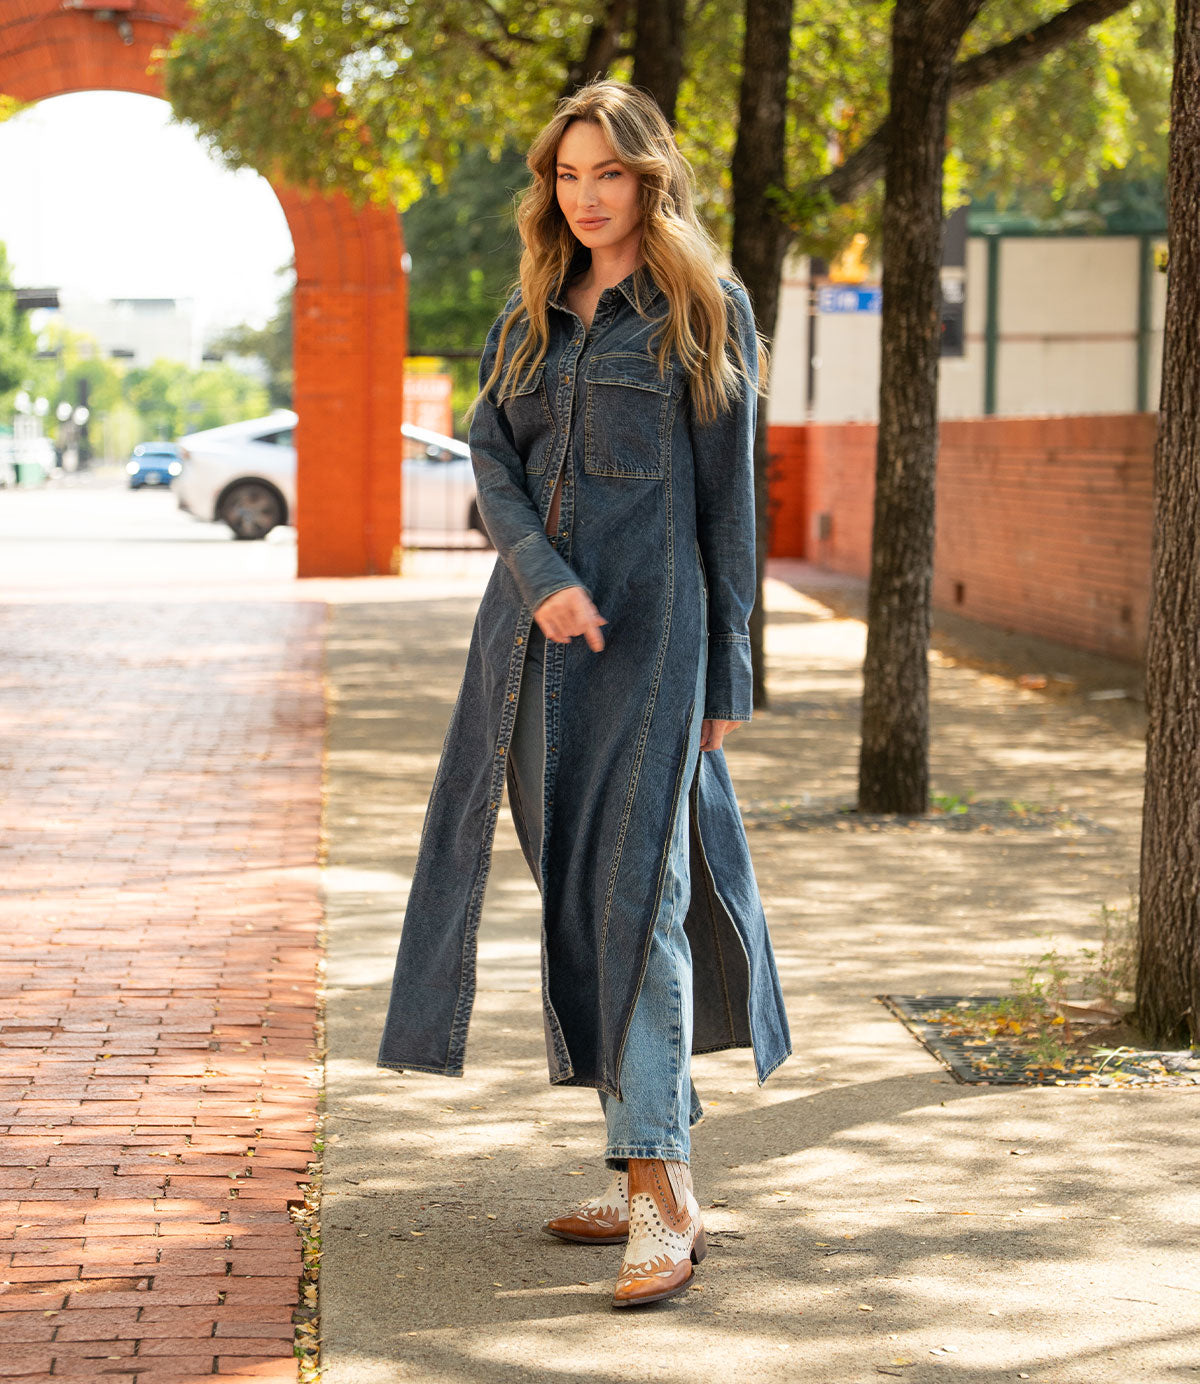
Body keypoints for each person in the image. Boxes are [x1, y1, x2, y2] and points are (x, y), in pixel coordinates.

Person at [378, 79, 791, 1309]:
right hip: (529, 650)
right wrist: (544, 577)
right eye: (567, 175)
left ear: (647, 178)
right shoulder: (528, 315)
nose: (586, 195)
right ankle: (634, 1145)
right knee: (578, 900)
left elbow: (731, 505)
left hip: (655, 649)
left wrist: (731, 664)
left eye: (607, 172)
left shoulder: (704, 312)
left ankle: (666, 1189)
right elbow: (491, 461)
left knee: (642, 899)